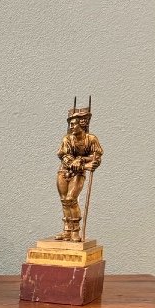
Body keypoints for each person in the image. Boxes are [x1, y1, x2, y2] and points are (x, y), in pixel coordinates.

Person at [55, 100, 103, 242]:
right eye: (70, 123)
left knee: (71, 199)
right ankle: (67, 231)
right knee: (64, 200)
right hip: (64, 172)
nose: (71, 125)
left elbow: (97, 156)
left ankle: (75, 230)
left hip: (78, 174)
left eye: (74, 123)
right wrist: (80, 163)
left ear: (82, 123)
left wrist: (90, 163)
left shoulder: (91, 139)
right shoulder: (67, 139)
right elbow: (63, 155)